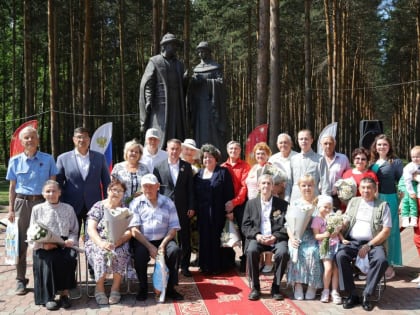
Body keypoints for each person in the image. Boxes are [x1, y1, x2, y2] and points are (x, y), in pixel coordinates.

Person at [6, 126, 58, 295]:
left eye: (32, 137)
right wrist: (11, 209)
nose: (29, 140)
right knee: (20, 244)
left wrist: (52, 204)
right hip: (22, 204)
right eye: (26, 138)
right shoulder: (14, 161)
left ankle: (44, 277)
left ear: (37, 140)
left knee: (45, 241)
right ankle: (20, 279)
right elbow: (12, 187)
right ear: (21, 142)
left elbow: (53, 185)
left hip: (43, 204)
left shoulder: (49, 159)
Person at [336, 177, 391, 311]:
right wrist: (338, 225)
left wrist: (369, 245)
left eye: (369, 188)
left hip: (374, 243)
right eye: (363, 188)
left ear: (375, 189)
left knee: (381, 260)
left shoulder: (383, 205)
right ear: (359, 189)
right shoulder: (353, 202)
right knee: (340, 255)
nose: (366, 190)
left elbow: (386, 230)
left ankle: (367, 294)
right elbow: (347, 221)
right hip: (352, 241)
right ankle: (351, 294)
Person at [129, 174, 183, 301]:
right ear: (141, 188)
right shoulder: (135, 203)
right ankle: (143, 287)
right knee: (140, 254)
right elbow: (134, 230)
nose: (148, 189)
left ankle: (170, 288)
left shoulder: (168, 202)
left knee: (174, 251)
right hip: (143, 239)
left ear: (157, 186)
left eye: (151, 186)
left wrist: (162, 245)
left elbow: (174, 227)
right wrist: (150, 247)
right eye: (145, 186)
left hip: (164, 238)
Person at [29, 180, 78, 310]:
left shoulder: (68, 208)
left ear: (60, 192)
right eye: (48, 191)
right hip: (44, 244)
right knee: (49, 259)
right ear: (43, 194)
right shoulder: (37, 209)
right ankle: (48, 297)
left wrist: (71, 241)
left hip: (64, 243)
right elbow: (32, 232)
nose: (51, 194)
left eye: (54, 191)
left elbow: (74, 230)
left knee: (69, 257)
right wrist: (42, 245)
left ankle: (64, 295)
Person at [242, 174, 289, 301]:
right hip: (258, 238)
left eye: (269, 183)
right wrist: (257, 235)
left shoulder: (283, 204)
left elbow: (287, 226)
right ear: (258, 186)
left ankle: (276, 287)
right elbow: (245, 226)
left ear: (273, 186)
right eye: (263, 183)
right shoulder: (251, 204)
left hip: (276, 238)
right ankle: (255, 287)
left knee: (283, 252)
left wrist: (275, 236)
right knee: (251, 250)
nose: (266, 186)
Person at [85, 179, 132, 305]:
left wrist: (120, 241)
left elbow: (130, 231)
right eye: (114, 190)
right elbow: (91, 228)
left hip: (118, 241)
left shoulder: (125, 209)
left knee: (121, 252)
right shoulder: (98, 206)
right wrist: (101, 243)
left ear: (123, 194)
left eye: (120, 191)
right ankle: (99, 288)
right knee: (101, 253)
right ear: (107, 191)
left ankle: (115, 288)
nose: (116, 193)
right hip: (98, 241)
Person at [56, 127, 111, 236]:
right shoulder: (63, 158)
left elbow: (106, 182)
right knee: (70, 238)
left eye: (85, 137)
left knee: (93, 237)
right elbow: (58, 183)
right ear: (74, 139)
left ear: (89, 140)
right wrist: (61, 202)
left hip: (94, 205)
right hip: (71, 205)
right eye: (79, 137)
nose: (82, 140)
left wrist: (107, 202)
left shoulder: (99, 158)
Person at [153, 139, 195, 277]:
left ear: (180, 150)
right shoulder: (158, 167)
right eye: (172, 148)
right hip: (165, 208)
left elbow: (190, 189)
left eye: (177, 149)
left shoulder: (186, 167)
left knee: (184, 238)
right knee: (167, 237)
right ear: (167, 149)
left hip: (183, 208)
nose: (174, 151)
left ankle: (185, 266)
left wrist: (191, 206)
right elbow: (156, 189)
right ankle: (169, 265)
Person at [139, 33, 187, 148]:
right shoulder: (155, 61)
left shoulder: (179, 65)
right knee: (160, 135)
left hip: (176, 106)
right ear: (165, 46)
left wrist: (186, 80)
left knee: (176, 133)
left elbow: (183, 87)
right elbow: (148, 83)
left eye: (175, 45)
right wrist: (148, 100)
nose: (175, 47)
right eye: (172, 45)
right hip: (160, 106)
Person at [194, 144, 235, 274]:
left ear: (216, 158)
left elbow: (229, 193)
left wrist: (230, 211)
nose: (207, 159)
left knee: (217, 239)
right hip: (203, 213)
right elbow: (194, 194)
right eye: (205, 157)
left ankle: (217, 266)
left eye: (210, 157)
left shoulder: (223, 172)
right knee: (204, 238)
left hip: (218, 213)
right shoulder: (198, 174)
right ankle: (205, 266)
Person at [369, 134, 403, 279]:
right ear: (375, 147)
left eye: (385, 144)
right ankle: (377, 262)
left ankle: (389, 263)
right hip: (374, 200)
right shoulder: (371, 163)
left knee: (391, 231)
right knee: (375, 231)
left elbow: (402, 183)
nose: (382, 147)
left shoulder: (395, 162)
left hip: (390, 199)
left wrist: (401, 202)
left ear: (389, 147)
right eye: (379, 144)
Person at [287, 174, 323, 300]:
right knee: (296, 250)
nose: (307, 188)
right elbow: (288, 224)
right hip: (298, 235)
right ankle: (297, 284)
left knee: (313, 252)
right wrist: (292, 239)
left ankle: (313, 285)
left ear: (314, 186)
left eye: (310, 185)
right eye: (304, 185)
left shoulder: (318, 202)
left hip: (315, 236)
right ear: (299, 187)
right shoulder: (295, 203)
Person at [188, 41, 226, 151]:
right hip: (199, 105)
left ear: (209, 52)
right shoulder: (197, 69)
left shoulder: (215, 67)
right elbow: (192, 89)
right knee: (200, 130)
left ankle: (216, 153)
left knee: (213, 130)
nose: (201, 54)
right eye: (199, 52)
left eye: (203, 51)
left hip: (212, 104)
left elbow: (221, 83)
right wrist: (194, 82)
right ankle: (201, 153)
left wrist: (206, 81)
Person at [311, 195, 347, 304]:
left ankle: (335, 291)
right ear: (319, 207)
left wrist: (342, 239)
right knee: (328, 268)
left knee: (336, 268)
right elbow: (316, 236)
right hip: (325, 246)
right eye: (325, 207)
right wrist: (325, 235)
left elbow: (337, 231)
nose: (327, 210)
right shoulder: (317, 220)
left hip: (336, 245)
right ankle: (325, 290)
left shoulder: (332, 217)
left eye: (329, 207)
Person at [221, 140, 251, 272]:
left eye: (236, 149)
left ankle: (245, 260)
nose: (234, 151)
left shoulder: (245, 166)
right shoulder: (222, 166)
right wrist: (227, 204)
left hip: (241, 203)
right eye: (231, 149)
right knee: (226, 232)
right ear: (228, 150)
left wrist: (234, 202)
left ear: (240, 151)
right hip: (225, 204)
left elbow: (245, 187)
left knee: (244, 233)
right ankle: (228, 261)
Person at [286, 129, 330, 203]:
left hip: (313, 199)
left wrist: (325, 201)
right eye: (301, 139)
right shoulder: (293, 159)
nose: (303, 141)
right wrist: (287, 199)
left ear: (311, 140)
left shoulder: (320, 159)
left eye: (306, 139)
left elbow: (325, 183)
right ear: (298, 141)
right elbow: (289, 182)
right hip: (296, 199)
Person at [320, 136, 351, 209]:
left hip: (337, 197)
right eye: (325, 143)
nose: (328, 146)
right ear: (321, 144)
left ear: (334, 144)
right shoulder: (317, 159)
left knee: (335, 219)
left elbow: (348, 177)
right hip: (320, 196)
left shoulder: (343, 158)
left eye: (330, 143)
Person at [398, 145, 420, 227]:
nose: (415, 159)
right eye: (413, 157)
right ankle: (405, 217)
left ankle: (414, 217)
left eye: (417, 157)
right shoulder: (410, 166)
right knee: (408, 198)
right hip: (404, 183)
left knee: (413, 200)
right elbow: (407, 180)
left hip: (413, 183)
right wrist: (411, 192)